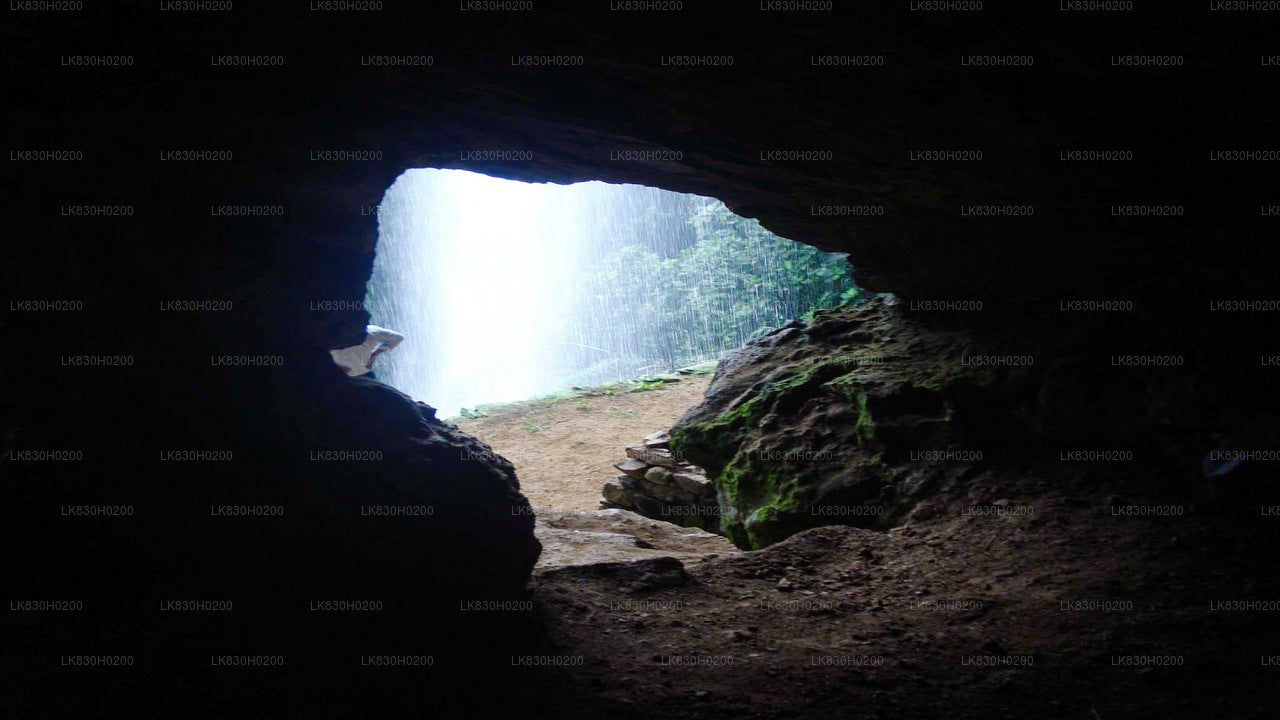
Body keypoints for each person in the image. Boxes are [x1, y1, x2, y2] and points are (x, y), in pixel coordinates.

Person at [330, 324, 404, 378]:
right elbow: (399, 338)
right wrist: (375, 353)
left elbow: (399, 338)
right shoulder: (373, 331)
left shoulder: (373, 331)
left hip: (357, 366)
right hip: (359, 366)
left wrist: (375, 354)